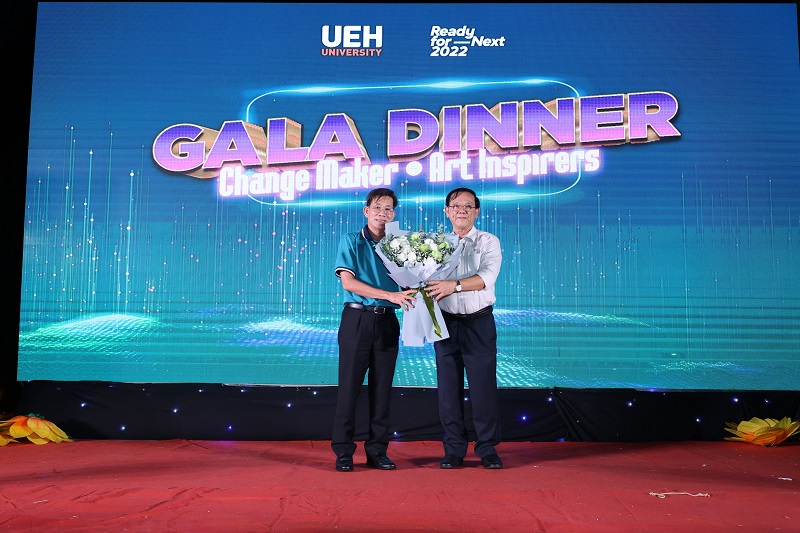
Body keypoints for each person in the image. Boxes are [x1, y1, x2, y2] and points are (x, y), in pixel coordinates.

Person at [331, 187, 417, 472]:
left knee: (382, 391)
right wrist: (389, 295)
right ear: (366, 211)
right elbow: (348, 283)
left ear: (394, 214)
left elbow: (409, 283)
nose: (383, 213)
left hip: (388, 321)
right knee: (349, 389)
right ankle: (344, 451)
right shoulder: (352, 240)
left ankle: (377, 451)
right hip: (357, 319)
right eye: (377, 208)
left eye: (388, 209)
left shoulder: (399, 246)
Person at [425, 187, 504, 469]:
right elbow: (422, 279)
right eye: (456, 205)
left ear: (476, 212)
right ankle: (454, 449)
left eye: (468, 206)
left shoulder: (488, 241)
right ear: (447, 211)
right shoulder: (433, 244)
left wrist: (454, 286)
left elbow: (486, 277)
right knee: (448, 390)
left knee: (483, 388)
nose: (462, 210)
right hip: (445, 322)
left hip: (479, 322)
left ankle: (487, 448)